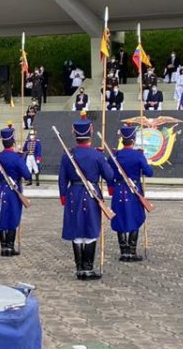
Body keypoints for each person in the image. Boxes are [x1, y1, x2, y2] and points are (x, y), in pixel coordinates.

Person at [59, 117, 116, 280]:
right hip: (92, 195)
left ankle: (79, 269)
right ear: (90, 132)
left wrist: (63, 196)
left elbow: (62, 179)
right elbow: (110, 175)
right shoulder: (97, 155)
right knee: (91, 228)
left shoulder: (67, 155)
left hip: (73, 194)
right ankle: (88, 269)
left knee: (76, 230)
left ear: (74, 133)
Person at [108, 125, 153, 262]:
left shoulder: (114, 156)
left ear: (122, 140)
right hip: (134, 191)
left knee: (119, 217)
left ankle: (124, 251)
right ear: (133, 140)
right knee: (136, 217)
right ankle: (132, 251)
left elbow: (109, 174)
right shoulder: (138, 155)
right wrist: (143, 159)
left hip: (119, 189)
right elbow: (149, 173)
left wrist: (111, 187)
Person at [0, 126, 32, 256]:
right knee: (13, 216)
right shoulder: (17, 158)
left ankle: (3, 247)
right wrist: (22, 159)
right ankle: (10, 247)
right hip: (14, 191)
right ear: (13, 142)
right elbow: (27, 175)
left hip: (1, 189)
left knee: (2, 216)